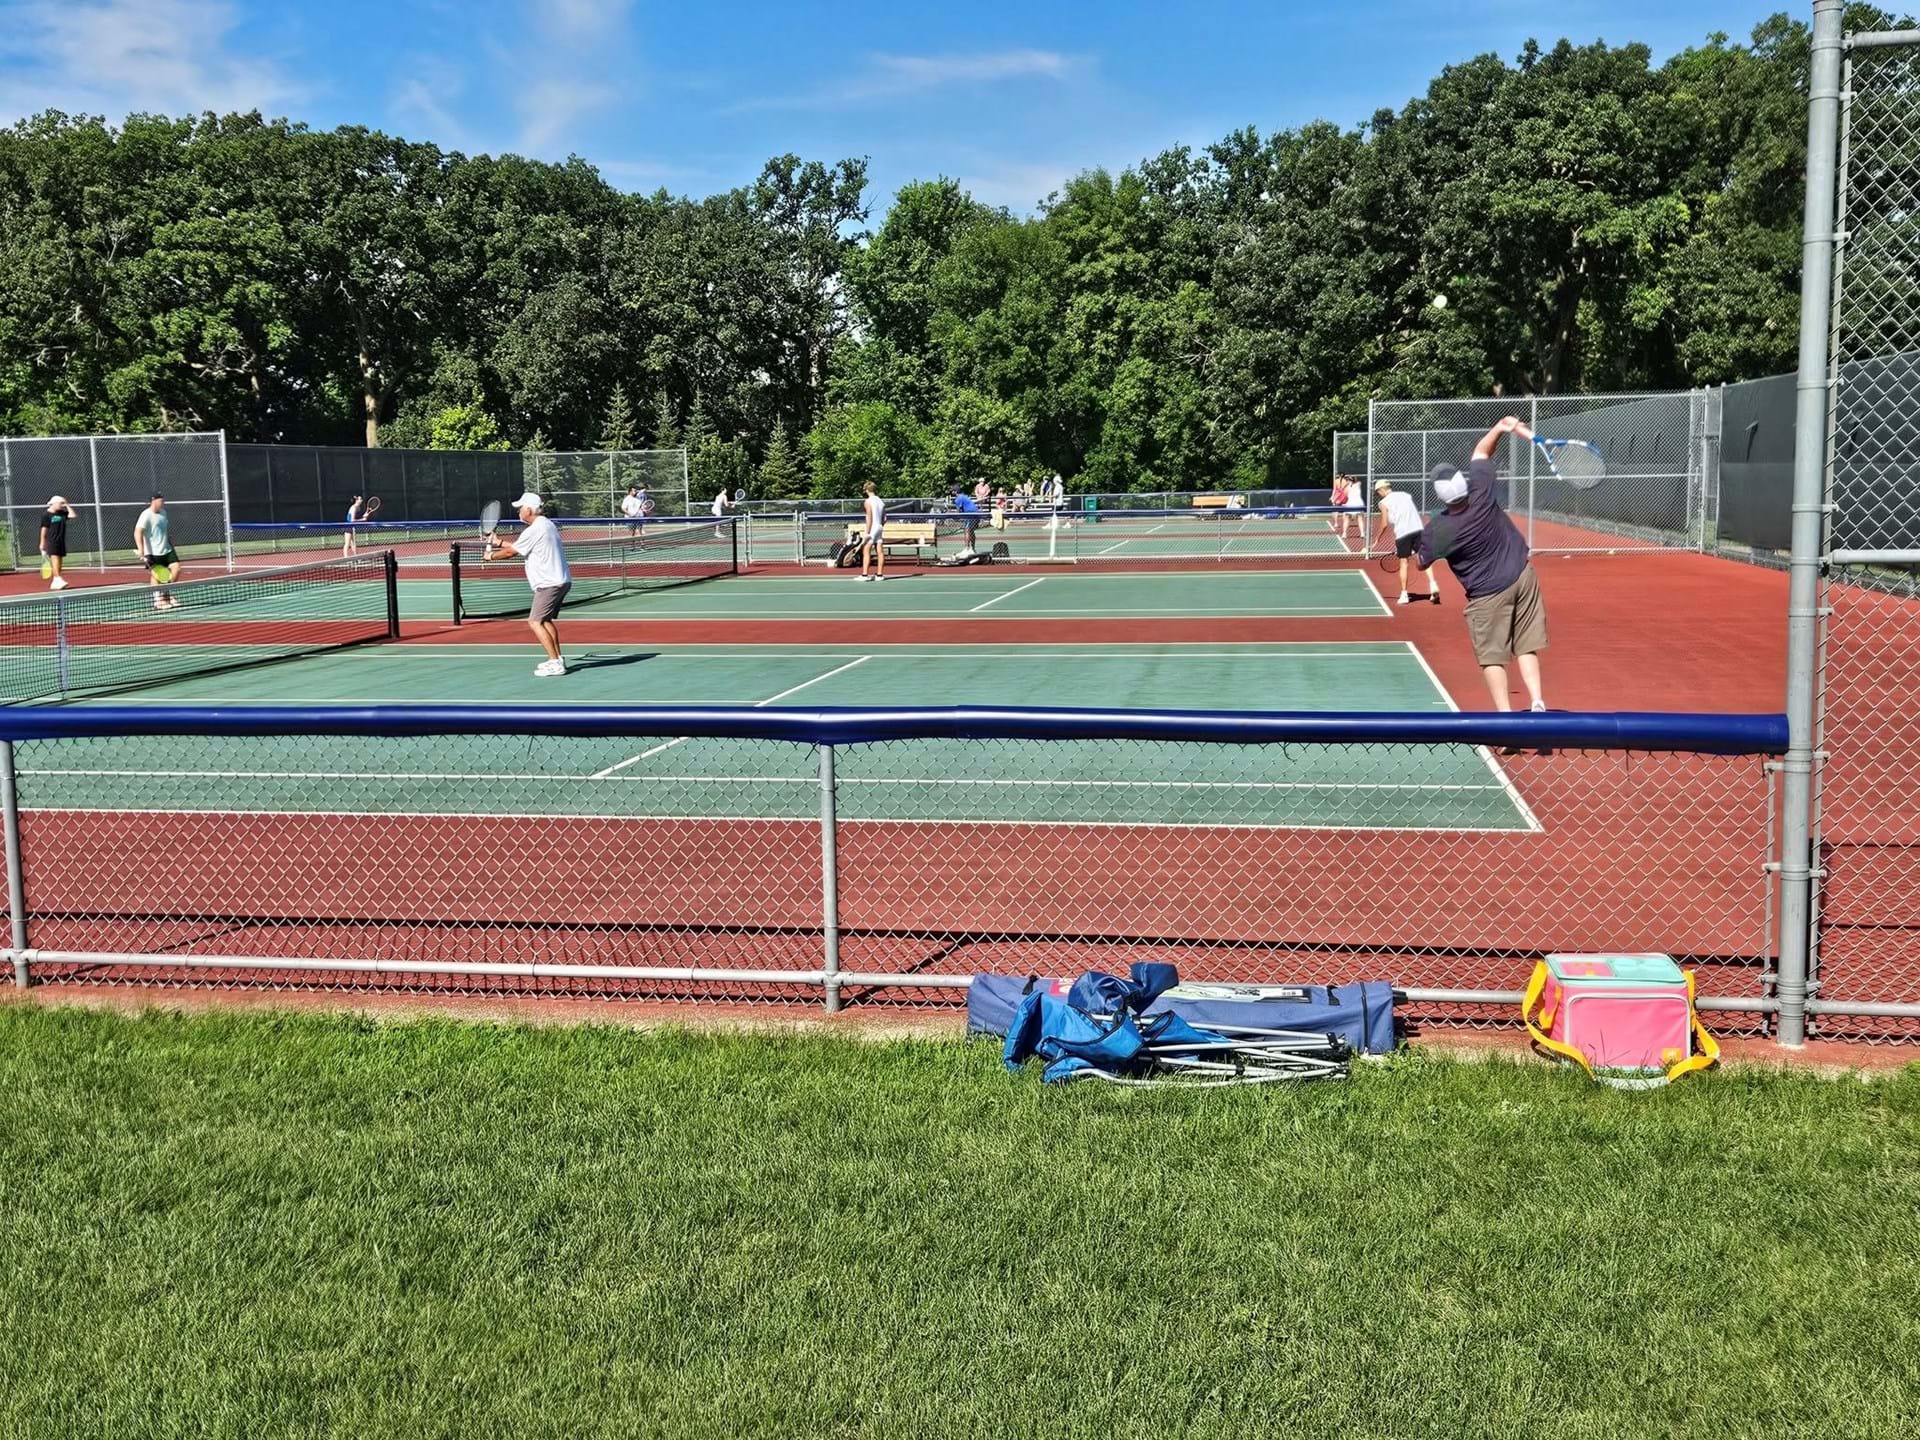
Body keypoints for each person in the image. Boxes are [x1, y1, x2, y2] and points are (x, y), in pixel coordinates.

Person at [1416, 417, 1547, 714]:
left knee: (1493, 657)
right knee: (1526, 645)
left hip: (1488, 595)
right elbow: (1482, 452)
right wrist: (1501, 428)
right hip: (1522, 577)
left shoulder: (1438, 529)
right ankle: (1538, 703)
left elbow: (1421, 565)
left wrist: (1421, 548)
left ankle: (1505, 720)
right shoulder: (1482, 489)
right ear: (1464, 483)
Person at [485, 491, 572, 676]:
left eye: (521, 509)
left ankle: (555, 662)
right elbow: (520, 546)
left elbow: (511, 553)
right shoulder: (546, 525)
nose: (519, 512)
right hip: (560, 581)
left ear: (530, 510)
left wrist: (491, 556)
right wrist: (498, 542)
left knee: (534, 621)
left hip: (549, 584)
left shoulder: (535, 528)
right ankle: (557, 658)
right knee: (545, 620)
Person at [1375, 478, 1438, 606]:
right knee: (1423, 559)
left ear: (1381, 490)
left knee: (1404, 563)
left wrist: (1377, 539)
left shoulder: (1383, 502)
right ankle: (1433, 584)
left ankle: (1404, 594)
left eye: (1377, 492)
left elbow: (1384, 523)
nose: (1378, 495)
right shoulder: (1405, 495)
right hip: (1418, 529)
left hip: (1403, 533)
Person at [133, 495, 181, 610]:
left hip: (167, 549)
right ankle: (158, 601)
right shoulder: (146, 515)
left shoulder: (163, 512)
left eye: (163, 500)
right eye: (160, 500)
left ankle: (165, 595)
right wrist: (141, 550)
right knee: (157, 576)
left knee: (177, 569)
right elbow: (137, 532)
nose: (162, 502)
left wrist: (170, 542)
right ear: (153, 501)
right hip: (152, 552)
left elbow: (164, 530)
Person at [38, 496, 71, 590]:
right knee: (55, 559)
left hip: (60, 541)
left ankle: (55, 581)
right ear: (54, 503)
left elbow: (72, 515)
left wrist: (67, 505)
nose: (62, 505)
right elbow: (43, 530)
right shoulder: (46, 515)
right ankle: (57, 578)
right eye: (60, 503)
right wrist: (42, 543)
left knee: (59, 561)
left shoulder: (62, 514)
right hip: (52, 541)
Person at [858, 479, 886, 582]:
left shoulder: (868, 502)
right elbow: (885, 518)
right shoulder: (880, 501)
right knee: (880, 551)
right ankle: (879, 575)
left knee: (866, 550)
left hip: (873, 527)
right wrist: (880, 526)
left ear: (866, 490)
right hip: (879, 527)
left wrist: (867, 532)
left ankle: (865, 575)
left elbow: (869, 518)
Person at [1330, 473, 1360, 543]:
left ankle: (1336, 523)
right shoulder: (1346, 481)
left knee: (1336, 510)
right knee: (1344, 512)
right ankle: (1344, 522)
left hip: (1338, 496)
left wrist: (1332, 497)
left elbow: (1334, 489)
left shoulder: (1336, 481)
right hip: (1344, 497)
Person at [951, 486, 981, 554]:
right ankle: (972, 549)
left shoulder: (958, 498)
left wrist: (952, 515)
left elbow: (959, 512)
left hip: (970, 514)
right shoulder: (964, 496)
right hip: (975, 514)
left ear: (955, 491)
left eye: (952, 490)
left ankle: (966, 549)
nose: (952, 492)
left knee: (967, 530)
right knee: (971, 531)